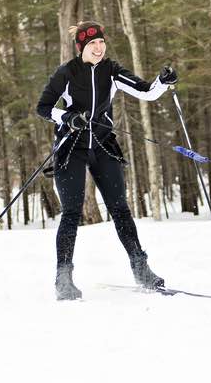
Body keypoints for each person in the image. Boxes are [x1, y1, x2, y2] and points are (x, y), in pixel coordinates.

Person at [36, 21, 178, 300]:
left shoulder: (111, 71)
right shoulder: (67, 72)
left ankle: (142, 269)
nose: (98, 48)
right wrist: (67, 117)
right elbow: (43, 107)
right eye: (92, 45)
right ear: (81, 48)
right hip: (72, 146)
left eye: (101, 43)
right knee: (72, 212)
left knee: (120, 208)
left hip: (102, 145)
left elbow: (146, 91)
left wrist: (163, 81)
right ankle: (63, 278)